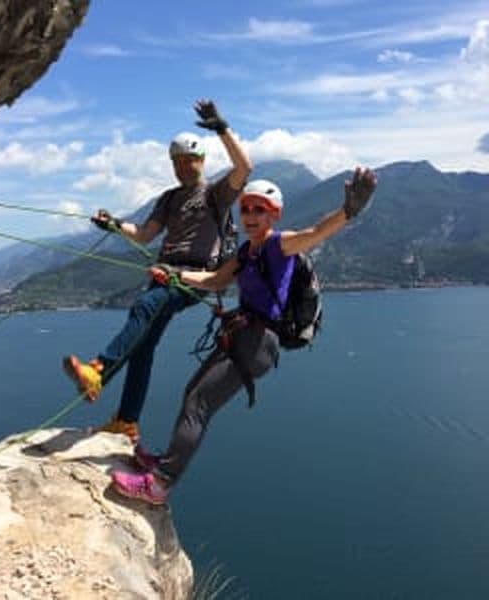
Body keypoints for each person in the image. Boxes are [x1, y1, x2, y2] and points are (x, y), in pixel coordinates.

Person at [110, 166, 378, 504]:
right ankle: (165, 463)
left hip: (258, 342)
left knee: (199, 403)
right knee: (193, 393)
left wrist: (348, 211)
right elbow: (215, 280)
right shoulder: (244, 253)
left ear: (274, 215)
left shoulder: (281, 245)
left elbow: (316, 232)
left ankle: (160, 484)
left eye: (259, 210)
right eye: (246, 208)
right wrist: (174, 274)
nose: (250, 215)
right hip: (241, 334)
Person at [63, 100, 252, 442]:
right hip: (165, 272)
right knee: (143, 347)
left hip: (195, 278)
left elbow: (244, 167)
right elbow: (146, 234)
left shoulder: (216, 194)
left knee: (145, 306)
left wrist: (221, 127)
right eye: (177, 162)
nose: (182, 168)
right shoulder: (168, 199)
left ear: (201, 161)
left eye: (188, 161)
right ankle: (126, 422)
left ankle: (99, 370)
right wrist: (114, 225)